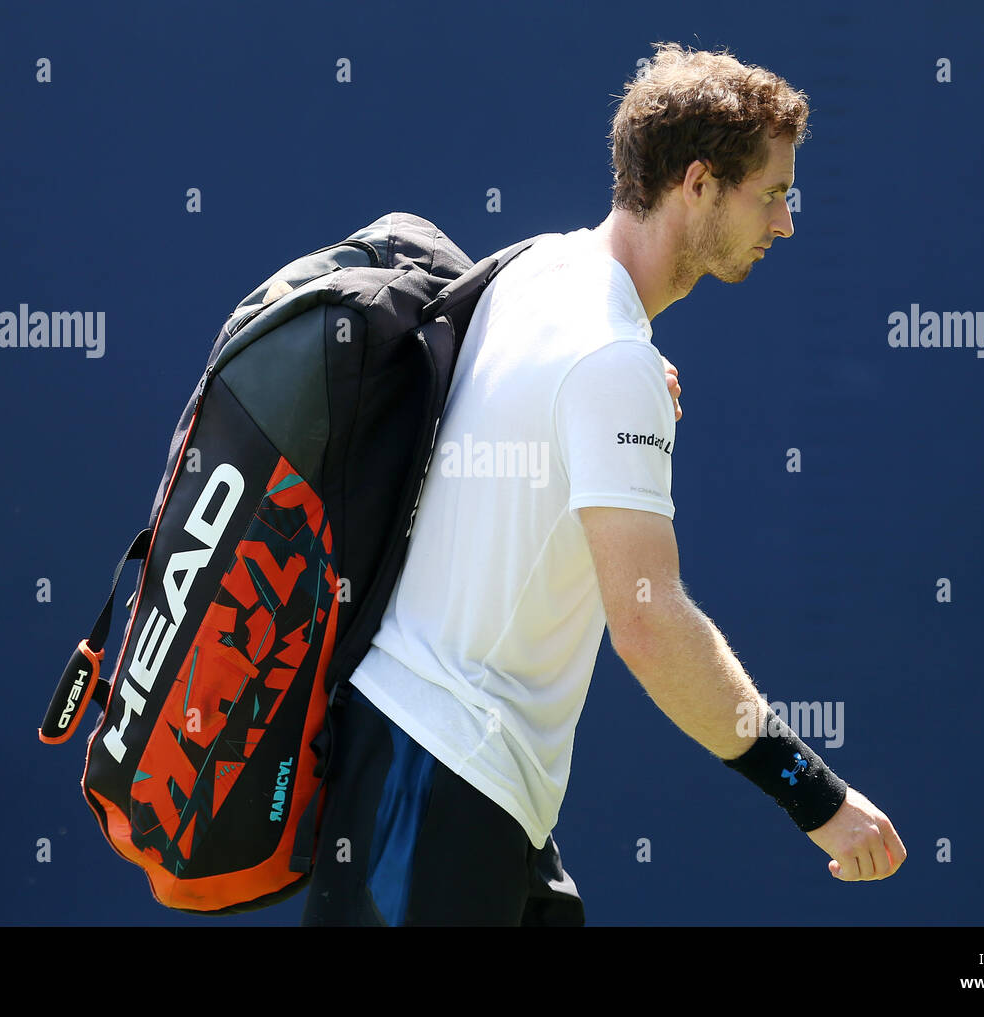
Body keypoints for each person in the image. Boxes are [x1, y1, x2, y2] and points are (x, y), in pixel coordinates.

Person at [299, 41, 906, 927]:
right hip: (437, 785)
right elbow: (652, 626)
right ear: (698, 183)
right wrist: (817, 798)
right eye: (771, 194)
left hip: (455, 778)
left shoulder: (541, 267)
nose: (784, 224)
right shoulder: (613, 356)